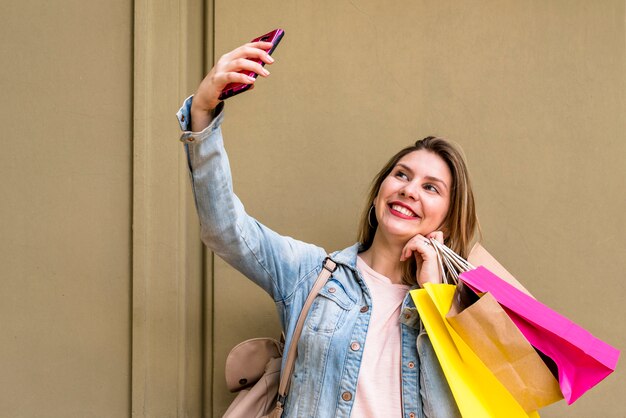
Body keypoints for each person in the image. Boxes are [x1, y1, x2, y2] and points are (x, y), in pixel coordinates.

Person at [177, 41, 529, 418]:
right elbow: (225, 229)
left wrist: (436, 296)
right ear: (381, 191)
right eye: (401, 175)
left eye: (431, 188)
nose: (409, 190)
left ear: (447, 216)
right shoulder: (310, 274)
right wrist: (202, 110)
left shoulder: (463, 313)